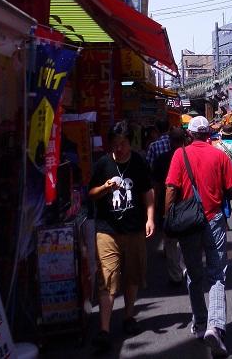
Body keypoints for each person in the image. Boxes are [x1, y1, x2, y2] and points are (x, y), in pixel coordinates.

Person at [165, 115, 232, 358]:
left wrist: (167, 220)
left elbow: (171, 188)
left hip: (188, 224)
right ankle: (216, 326)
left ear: (190, 134)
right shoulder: (218, 155)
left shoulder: (180, 155)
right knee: (217, 273)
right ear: (209, 134)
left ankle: (201, 323)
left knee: (193, 273)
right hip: (213, 220)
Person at [88, 120, 155, 351]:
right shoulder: (102, 164)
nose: (120, 148)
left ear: (130, 143)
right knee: (107, 278)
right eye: (116, 144)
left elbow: (147, 192)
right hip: (107, 231)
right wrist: (105, 188)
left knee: (132, 275)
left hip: (134, 229)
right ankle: (104, 330)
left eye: (124, 143)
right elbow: (91, 193)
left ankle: (128, 317)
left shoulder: (138, 162)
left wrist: (150, 218)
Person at [151, 126, 186, 284]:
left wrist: (157, 206)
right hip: (187, 204)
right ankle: (186, 269)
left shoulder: (161, 159)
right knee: (186, 239)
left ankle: (175, 275)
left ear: (170, 141)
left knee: (170, 242)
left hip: (167, 205)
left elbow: (157, 185)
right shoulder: (189, 157)